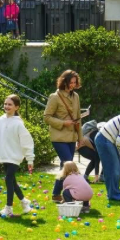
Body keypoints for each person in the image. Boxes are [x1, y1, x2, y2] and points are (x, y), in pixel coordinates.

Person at [0, 94, 35, 217]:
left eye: (10, 104)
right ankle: (24, 202)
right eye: (5, 104)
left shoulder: (18, 124)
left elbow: (27, 141)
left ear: (16, 107)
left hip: (15, 156)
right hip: (4, 156)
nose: (6, 106)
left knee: (8, 179)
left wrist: (29, 159)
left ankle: (8, 208)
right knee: (12, 182)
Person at [44, 70, 82, 201]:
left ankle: (56, 194)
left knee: (64, 166)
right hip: (59, 136)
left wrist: (80, 138)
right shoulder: (54, 96)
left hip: (72, 137)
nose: (72, 85)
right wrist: (63, 123)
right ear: (64, 81)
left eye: (75, 83)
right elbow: (46, 117)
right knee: (68, 164)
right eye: (70, 82)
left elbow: (78, 119)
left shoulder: (76, 96)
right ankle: (73, 192)